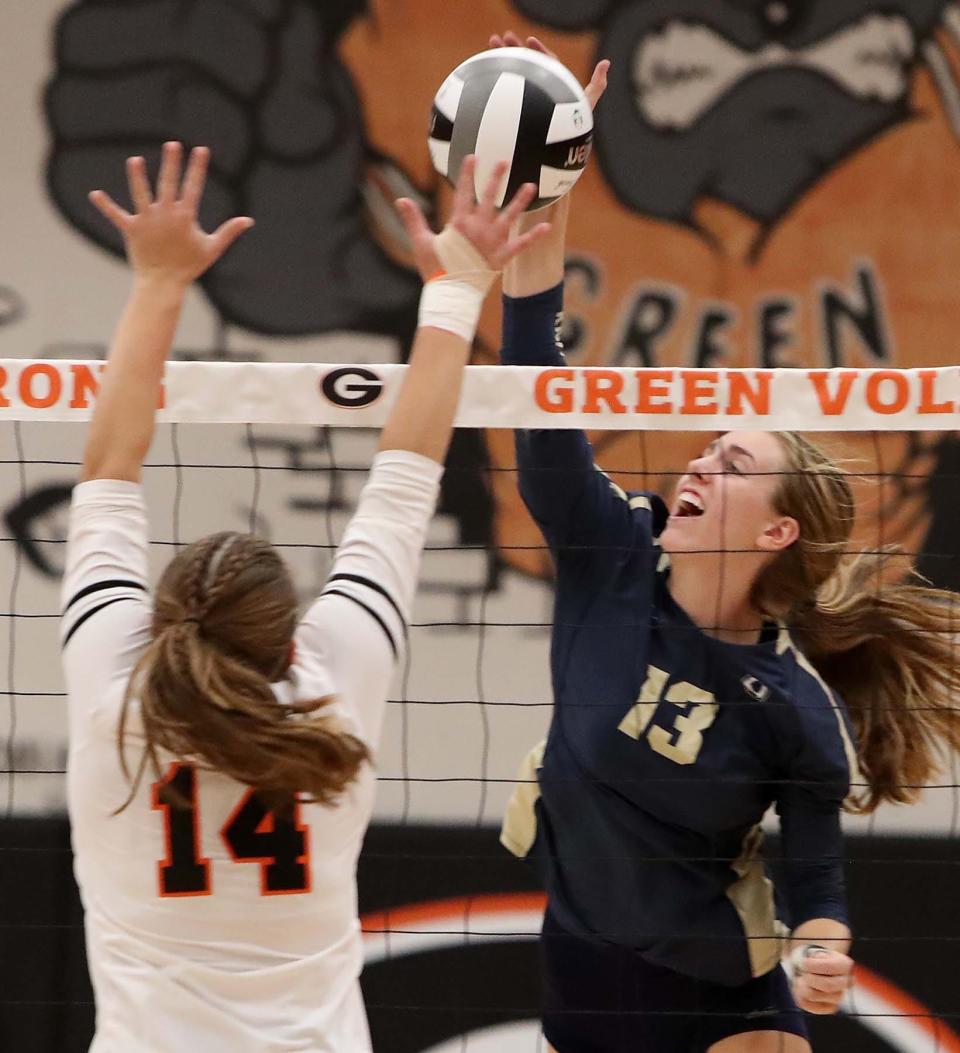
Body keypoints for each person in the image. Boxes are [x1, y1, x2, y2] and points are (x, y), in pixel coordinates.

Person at [492, 33, 960, 1053]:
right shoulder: (610, 555)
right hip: (581, 979)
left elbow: (816, 869)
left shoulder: (791, 709)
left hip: (720, 1001)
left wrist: (828, 945)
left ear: (779, 529)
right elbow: (533, 369)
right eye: (706, 451)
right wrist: (554, 171)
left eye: (731, 465)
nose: (697, 468)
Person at [61, 140, 548, 1053]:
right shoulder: (331, 701)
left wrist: (159, 281)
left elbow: (103, 466)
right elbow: (405, 479)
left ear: (161, 626)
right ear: (289, 643)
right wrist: (456, 286)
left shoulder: (111, 704)